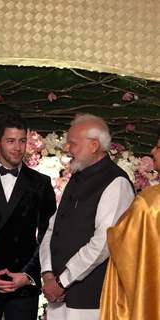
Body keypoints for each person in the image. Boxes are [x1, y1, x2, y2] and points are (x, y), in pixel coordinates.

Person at [39, 114, 135, 320]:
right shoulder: (77, 176)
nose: (66, 149)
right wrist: (47, 274)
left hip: (90, 302)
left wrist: (62, 281)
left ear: (93, 145)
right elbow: (52, 228)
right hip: (58, 295)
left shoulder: (116, 182)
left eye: (72, 144)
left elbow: (103, 243)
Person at [0, 114, 57, 320]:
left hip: (23, 284)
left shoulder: (41, 183)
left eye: (22, 141)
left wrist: (28, 275)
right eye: (11, 141)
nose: (18, 148)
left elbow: (49, 235)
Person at [100, 129, 160, 320]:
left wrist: (114, 232)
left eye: (159, 147)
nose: (153, 151)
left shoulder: (149, 203)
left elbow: (124, 248)